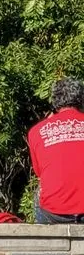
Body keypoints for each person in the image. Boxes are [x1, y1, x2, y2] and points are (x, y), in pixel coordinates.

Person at [30, 77, 84, 223]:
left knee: (39, 192)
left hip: (54, 214)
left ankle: (44, 242)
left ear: (55, 101)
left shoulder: (36, 131)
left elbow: (39, 172)